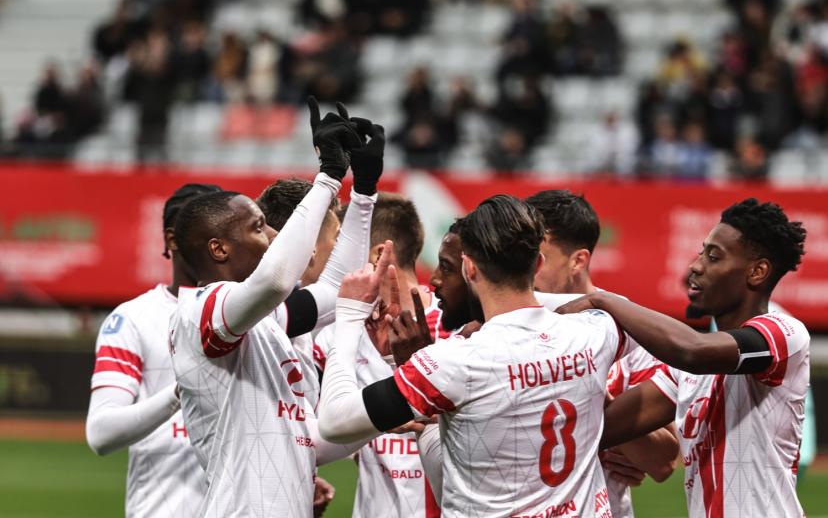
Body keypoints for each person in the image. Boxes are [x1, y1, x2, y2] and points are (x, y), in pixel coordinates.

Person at [317, 195, 642, 516]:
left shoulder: (456, 359)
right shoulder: (593, 331)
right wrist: (600, 301)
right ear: (538, 264)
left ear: (469, 268)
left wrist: (349, 314)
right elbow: (654, 332)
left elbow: (334, 422)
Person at [168, 99, 380, 516]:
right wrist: (327, 178)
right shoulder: (200, 308)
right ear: (219, 249)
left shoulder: (269, 323)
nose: (273, 234)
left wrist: (364, 190)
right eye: (258, 227)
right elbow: (276, 280)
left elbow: (337, 287)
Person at [562, 198, 808, 517]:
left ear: (757, 271)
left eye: (714, 257)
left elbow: (691, 350)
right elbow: (603, 426)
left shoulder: (784, 334)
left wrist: (603, 301)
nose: (695, 266)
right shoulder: (686, 373)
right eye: (701, 253)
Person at [526, 190, 678, 518]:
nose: (526, 269)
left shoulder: (629, 327)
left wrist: (586, 388)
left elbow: (663, 461)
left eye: (538, 258)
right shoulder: (509, 320)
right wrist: (606, 440)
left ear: (578, 260)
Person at [86, 182, 221, 517]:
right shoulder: (133, 318)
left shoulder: (257, 316)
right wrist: (179, 393)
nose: (218, 242)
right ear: (173, 240)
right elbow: (101, 433)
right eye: (207, 230)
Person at [313, 193, 446, 518]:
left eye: (343, 248)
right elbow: (309, 430)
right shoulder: (336, 334)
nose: (332, 260)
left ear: (376, 255)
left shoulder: (454, 329)